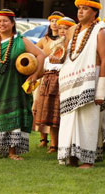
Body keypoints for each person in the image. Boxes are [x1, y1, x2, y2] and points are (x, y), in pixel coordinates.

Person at [0, 9, 45, 160]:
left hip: (14, 86)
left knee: (15, 116)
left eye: (5, 21)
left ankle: (12, 152)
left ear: (13, 23)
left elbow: (40, 54)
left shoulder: (21, 40)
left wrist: (34, 75)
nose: (2, 24)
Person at [57, 0, 105, 168]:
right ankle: (71, 156)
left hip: (91, 80)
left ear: (95, 11)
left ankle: (88, 160)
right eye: (79, 8)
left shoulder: (101, 31)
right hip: (71, 83)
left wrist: (101, 90)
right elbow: (69, 56)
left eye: (85, 8)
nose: (80, 11)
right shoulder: (73, 30)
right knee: (70, 119)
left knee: (87, 119)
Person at [33, 16, 76, 153]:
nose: (62, 31)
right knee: (51, 115)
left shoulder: (74, 45)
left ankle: (63, 144)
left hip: (62, 80)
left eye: (66, 28)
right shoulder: (53, 44)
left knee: (61, 115)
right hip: (48, 79)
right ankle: (52, 145)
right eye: (61, 28)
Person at [34, 11, 64, 148]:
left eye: (57, 21)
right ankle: (43, 139)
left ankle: (55, 142)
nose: (55, 23)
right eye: (52, 20)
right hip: (44, 76)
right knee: (38, 105)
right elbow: (34, 53)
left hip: (58, 77)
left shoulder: (66, 40)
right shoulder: (44, 40)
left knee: (54, 109)